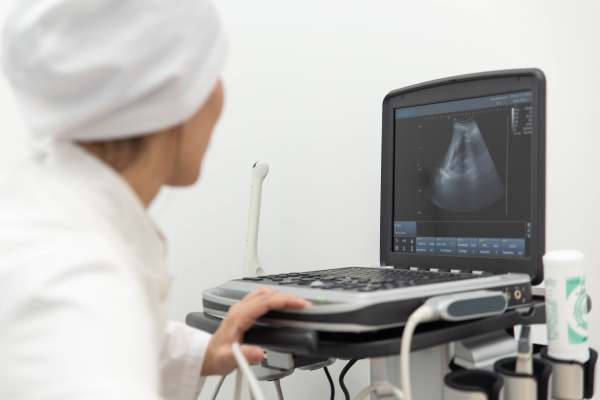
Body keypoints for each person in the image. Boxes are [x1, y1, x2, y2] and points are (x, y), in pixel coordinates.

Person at [0, 0, 310, 399]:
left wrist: (201, 354)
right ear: (172, 96)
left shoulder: (43, 213)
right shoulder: (81, 283)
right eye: (211, 74)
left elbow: (101, 350)